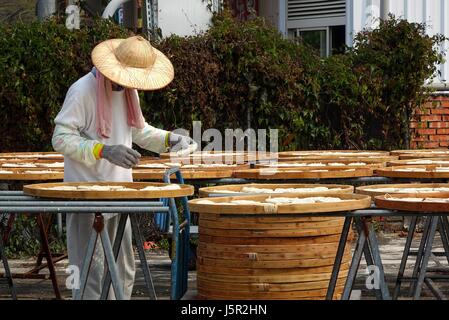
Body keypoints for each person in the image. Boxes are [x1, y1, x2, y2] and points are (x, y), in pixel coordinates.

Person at [52, 35, 197, 299]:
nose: (128, 84)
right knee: (87, 274)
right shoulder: (82, 91)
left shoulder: (128, 92)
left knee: (123, 270)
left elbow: (139, 131)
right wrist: (104, 150)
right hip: (85, 195)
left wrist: (169, 139)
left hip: (119, 194)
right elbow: (60, 138)